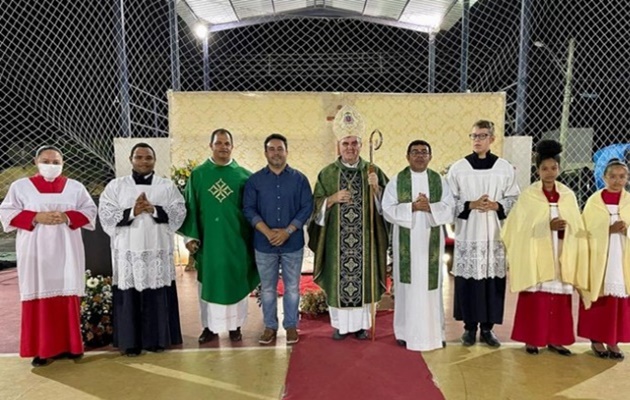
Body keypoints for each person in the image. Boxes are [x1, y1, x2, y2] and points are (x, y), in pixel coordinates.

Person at [0, 146, 97, 367]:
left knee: (67, 296)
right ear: (36, 162)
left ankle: (72, 346)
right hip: (36, 253)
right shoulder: (21, 187)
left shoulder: (75, 187)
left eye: (56, 162)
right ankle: (42, 350)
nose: (51, 165)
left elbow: (90, 211)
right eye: (46, 161)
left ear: (63, 163)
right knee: (39, 297)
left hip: (67, 251)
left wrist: (66, 216)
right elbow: (6, 212)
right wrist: (36, 216)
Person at [308, 106, 389, 340]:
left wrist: (376, 189)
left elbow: (389, 207)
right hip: (336, 242)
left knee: (364, 280)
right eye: (346, 144)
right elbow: (315, 205)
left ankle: (363, 326)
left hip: (365, 241)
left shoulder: (373, 171)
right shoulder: (328, 174)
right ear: (339, 146)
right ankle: (341, 327)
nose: (350, 148)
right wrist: (331, 200)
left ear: (361, 146)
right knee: (338, 279)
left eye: (354, 143)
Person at [98, 143, 186, 356]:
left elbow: (179, 211)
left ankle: (157, 339)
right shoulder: (116, 186)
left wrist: (154, 209)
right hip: (129, 250)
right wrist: (132, 211)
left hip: (156, 248)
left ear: (155, 161)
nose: (144, 161)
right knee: (130, 294)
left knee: (156, 292)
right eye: (139, 157)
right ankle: (130, 342)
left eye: (148, 158)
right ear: (131, 159)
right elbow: (106, 214)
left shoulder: (166, 186)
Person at [502, 140, 588, 355]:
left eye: (554, 168)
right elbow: (516, 228)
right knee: (536, 298)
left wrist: (564, 229)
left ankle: (556, 339)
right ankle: (532, 339)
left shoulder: (568, 196)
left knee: (559, 297)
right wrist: (545, 226)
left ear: (559, 168)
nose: (549, 173)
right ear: (538, 170)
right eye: (544, 168)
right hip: (536, 254)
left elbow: (576, 226)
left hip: (560, 252)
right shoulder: (529, 196)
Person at [178, 128, 260, 343]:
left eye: (226, 143)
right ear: (211, 146)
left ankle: (235, 326)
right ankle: (209, 327)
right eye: (218, 143)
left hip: (237, 241)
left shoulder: (244, 176)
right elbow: (190, 207)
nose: (223, 147)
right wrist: (191, 238)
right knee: (209, 283)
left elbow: (253, 211)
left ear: (232, 147)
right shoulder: (198, 175)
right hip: (209, 242)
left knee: (236, 280)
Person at [446, 120, 520, 347]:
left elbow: (514, 198)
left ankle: (488, 329)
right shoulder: (458, 168)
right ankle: (469, 328)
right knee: (468, 282)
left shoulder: (504, 168)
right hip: (469, 234)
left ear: (492, 139)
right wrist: (471, 204)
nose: (477, 140)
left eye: (482, 135)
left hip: (494, 236)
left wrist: (497, 206)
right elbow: (449, 202)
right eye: (474, 136)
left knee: (492, 282)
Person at [382, 140, 454, 351]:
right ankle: (404, 332)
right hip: (406, 239)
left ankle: (434, 333)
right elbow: (386, 208)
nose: (420, 155)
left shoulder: (439, 181)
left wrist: (429, 207)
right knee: (407, 287)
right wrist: (411, 207)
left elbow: (450, 208)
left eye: (424, 152)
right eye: (415, 152)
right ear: (407, 156)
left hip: (430, 241)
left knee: (431, 287)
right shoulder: (397, 180)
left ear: (430, 157)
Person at [243, 133, 313, 345]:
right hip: (264, 244)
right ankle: (269, 327)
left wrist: (287, 231)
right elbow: (248, 209)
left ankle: (291, 326)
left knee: (292, 288)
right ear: (265, 153)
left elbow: (306, 208)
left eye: (279, 149)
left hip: (292, 243)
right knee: (268, 288)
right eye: (271, 149)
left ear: (286, 151)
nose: (276, 153)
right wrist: (267, 232)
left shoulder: (300, 179)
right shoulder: (255, 180)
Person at [578, 158, 630, 360]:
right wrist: (607, 229)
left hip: (622, 258)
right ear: (603, 177)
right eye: (613, 176)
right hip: (599, 259)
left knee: (618, 300)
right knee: (599, 298)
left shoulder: (628, 201)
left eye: (622, 176)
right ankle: (596, 339)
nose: (617, 181)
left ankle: (613, 340)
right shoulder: (594, 202)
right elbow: (585, 231)